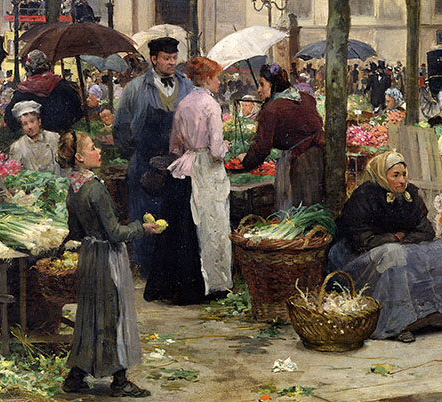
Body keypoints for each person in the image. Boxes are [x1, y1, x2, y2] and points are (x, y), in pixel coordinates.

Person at [328, 150, 442, 342]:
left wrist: (402, 238)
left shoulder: (410, 194)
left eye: (404, 175)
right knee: (394, 256)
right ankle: (399, 323)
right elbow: (362, 239)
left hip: (398, 244)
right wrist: (394, 237)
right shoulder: (364, 196)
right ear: (382, 176)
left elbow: (426, 231)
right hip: (357, 257)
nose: (402, 180)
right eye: (395, 175)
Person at [60, 131, 163, 397]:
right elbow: (116, 233)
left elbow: (75, 229)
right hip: (106, 257)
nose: (99, 152)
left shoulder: (74, 187)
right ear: (80, 158)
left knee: (90, 317)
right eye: (93, 148)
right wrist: (143, 228)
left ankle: (76, 376)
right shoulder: (95, 188)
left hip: (89, 256)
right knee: (113, 316)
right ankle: (120, 381)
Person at [144, 57, 231, 305]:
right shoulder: (211, 106)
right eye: (215, 78)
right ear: (205, 78)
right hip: (206, 170)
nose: (218, 82)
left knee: (185, 228)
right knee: (211, 225)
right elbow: (215, 151)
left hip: (185, 169)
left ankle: (180, 286)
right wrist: (225, 146)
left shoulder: (183, 104)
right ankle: (214, 285)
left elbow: (174, 146)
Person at [113, 37, 194, 273]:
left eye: (174, 58)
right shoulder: (135, 88)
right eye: (166, 59)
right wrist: (133, 154)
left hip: (177, 163)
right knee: (145, 215)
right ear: (153, 60)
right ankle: (148, 268)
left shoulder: (186, 85)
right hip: (144, 164)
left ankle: (172, 272)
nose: (171, 63)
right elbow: (120, 126)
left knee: (175, 216)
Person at [237, 63, 326, 210]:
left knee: (295, 207)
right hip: (318, 158)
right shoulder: (305, 98)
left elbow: (262, 147)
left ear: (273, 85)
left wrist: (246, 161)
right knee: (313, 204)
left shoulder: (272, 109)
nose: (259, 90)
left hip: (297, 164)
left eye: (262, 85)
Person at [3, 50, 85, 133]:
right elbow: (78, 112)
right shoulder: (63, 86)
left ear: (28, 69)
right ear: (48, 66)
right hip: (61, 138)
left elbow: (9, 119)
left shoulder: (22, 92)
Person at [9, 100, 61, 174]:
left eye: (32, 121)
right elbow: (15, 174)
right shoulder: (17, 146)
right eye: (25, 124)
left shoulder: (53, 137)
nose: (29, 127)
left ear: (39, 121)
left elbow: (63, 165)